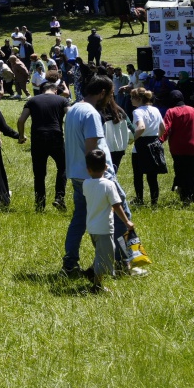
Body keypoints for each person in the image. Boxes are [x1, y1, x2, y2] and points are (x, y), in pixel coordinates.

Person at [60, 78, 113, 276]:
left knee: (80, 218)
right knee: (103, 220)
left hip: (76, 173)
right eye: (109, 95)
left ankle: (70, 262)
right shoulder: (91, 113)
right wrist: (100, 175)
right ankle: (107, 263)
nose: (109, 100)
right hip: (90, 175)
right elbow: (92, 149)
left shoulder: (74, 108)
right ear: (101, 93)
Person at [79, 149, 133, 293]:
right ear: (106, 167)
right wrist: (126, 222)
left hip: (92, 227)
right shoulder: (109, 185)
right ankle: (96, 286)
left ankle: (94, 275)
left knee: (101, 253)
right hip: (104, 228)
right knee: (104, 258)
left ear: (88, 169)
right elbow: (117, 205)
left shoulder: (85, 184)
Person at [17, 82, 69, 212]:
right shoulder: (62, 100)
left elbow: (21, 120)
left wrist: (21, 136)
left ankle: (39, 205)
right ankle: (59, 198)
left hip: (38, 138)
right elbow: (71, 116)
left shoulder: (32, 101)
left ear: (41, 90)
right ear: (55, 90)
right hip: (56, 137)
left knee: (39, 173)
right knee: (63, 167)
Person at [159, 90, 194, 204]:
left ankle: (183, 196)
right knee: (192, 173)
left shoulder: (171, 111)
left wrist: (160, 140)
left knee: (180, 171)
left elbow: (166, 128)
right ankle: (191, 197)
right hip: (192, 147)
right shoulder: (193, 110)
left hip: (177, 148)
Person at [128, 87, 165, 207]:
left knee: (138, 175)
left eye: (132, 97)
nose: (130, 99)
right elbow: (163, 128)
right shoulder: (155, 109)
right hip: (154, 145)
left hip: (140, 146)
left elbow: (141, 127)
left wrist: (132, 139)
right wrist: (156, 138)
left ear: (138, 99)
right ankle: (154, 202)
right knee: (152, 176)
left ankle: (139, 199)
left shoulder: (137, 111)